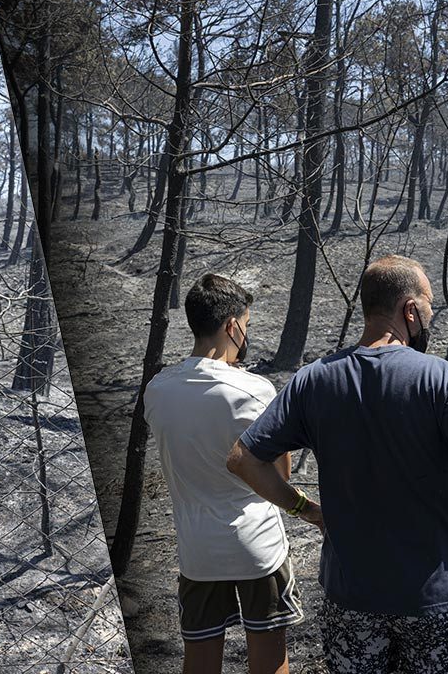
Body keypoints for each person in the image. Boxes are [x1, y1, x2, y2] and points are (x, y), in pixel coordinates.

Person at [227, 254, 448, 674]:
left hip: (352, 599)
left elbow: (243, 460)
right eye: (429, 307)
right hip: (434, 601)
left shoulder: (315, 380)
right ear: (410, 310)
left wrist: (307, 511)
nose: (432, 317)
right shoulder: (440, 379)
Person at [144, 273, 306, 674]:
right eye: (246, 326)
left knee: (199, 661)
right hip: (257, 548)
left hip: (197, 552)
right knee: (269, 661)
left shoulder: (157, 390)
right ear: (232, 325)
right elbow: (278, 477)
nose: (245, 335)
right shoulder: (255, 391)